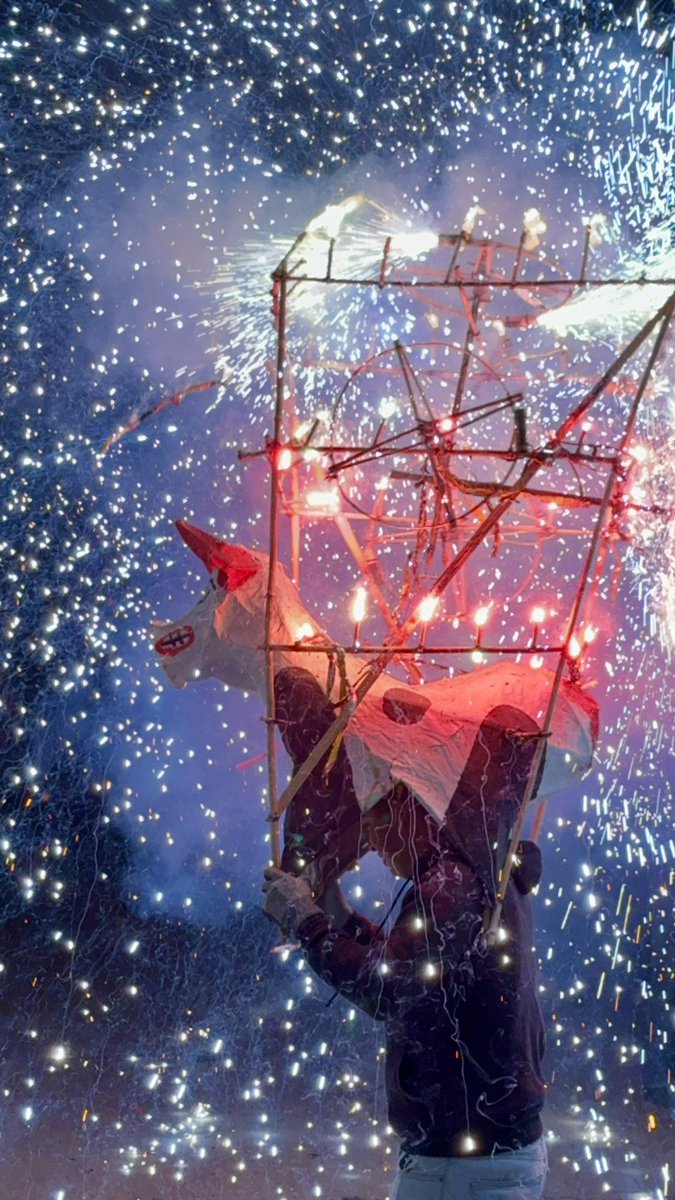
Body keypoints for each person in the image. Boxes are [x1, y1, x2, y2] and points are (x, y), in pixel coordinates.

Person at [263, 706, 549, 1200]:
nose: (370, 838)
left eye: (375, 813)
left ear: (413, 806)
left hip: (464, 1168)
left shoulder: (450, 883)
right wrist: (338, 912)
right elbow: (422, 972)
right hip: (484, 1154)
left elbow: (389, 990)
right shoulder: (479, 866)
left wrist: (304, 923)